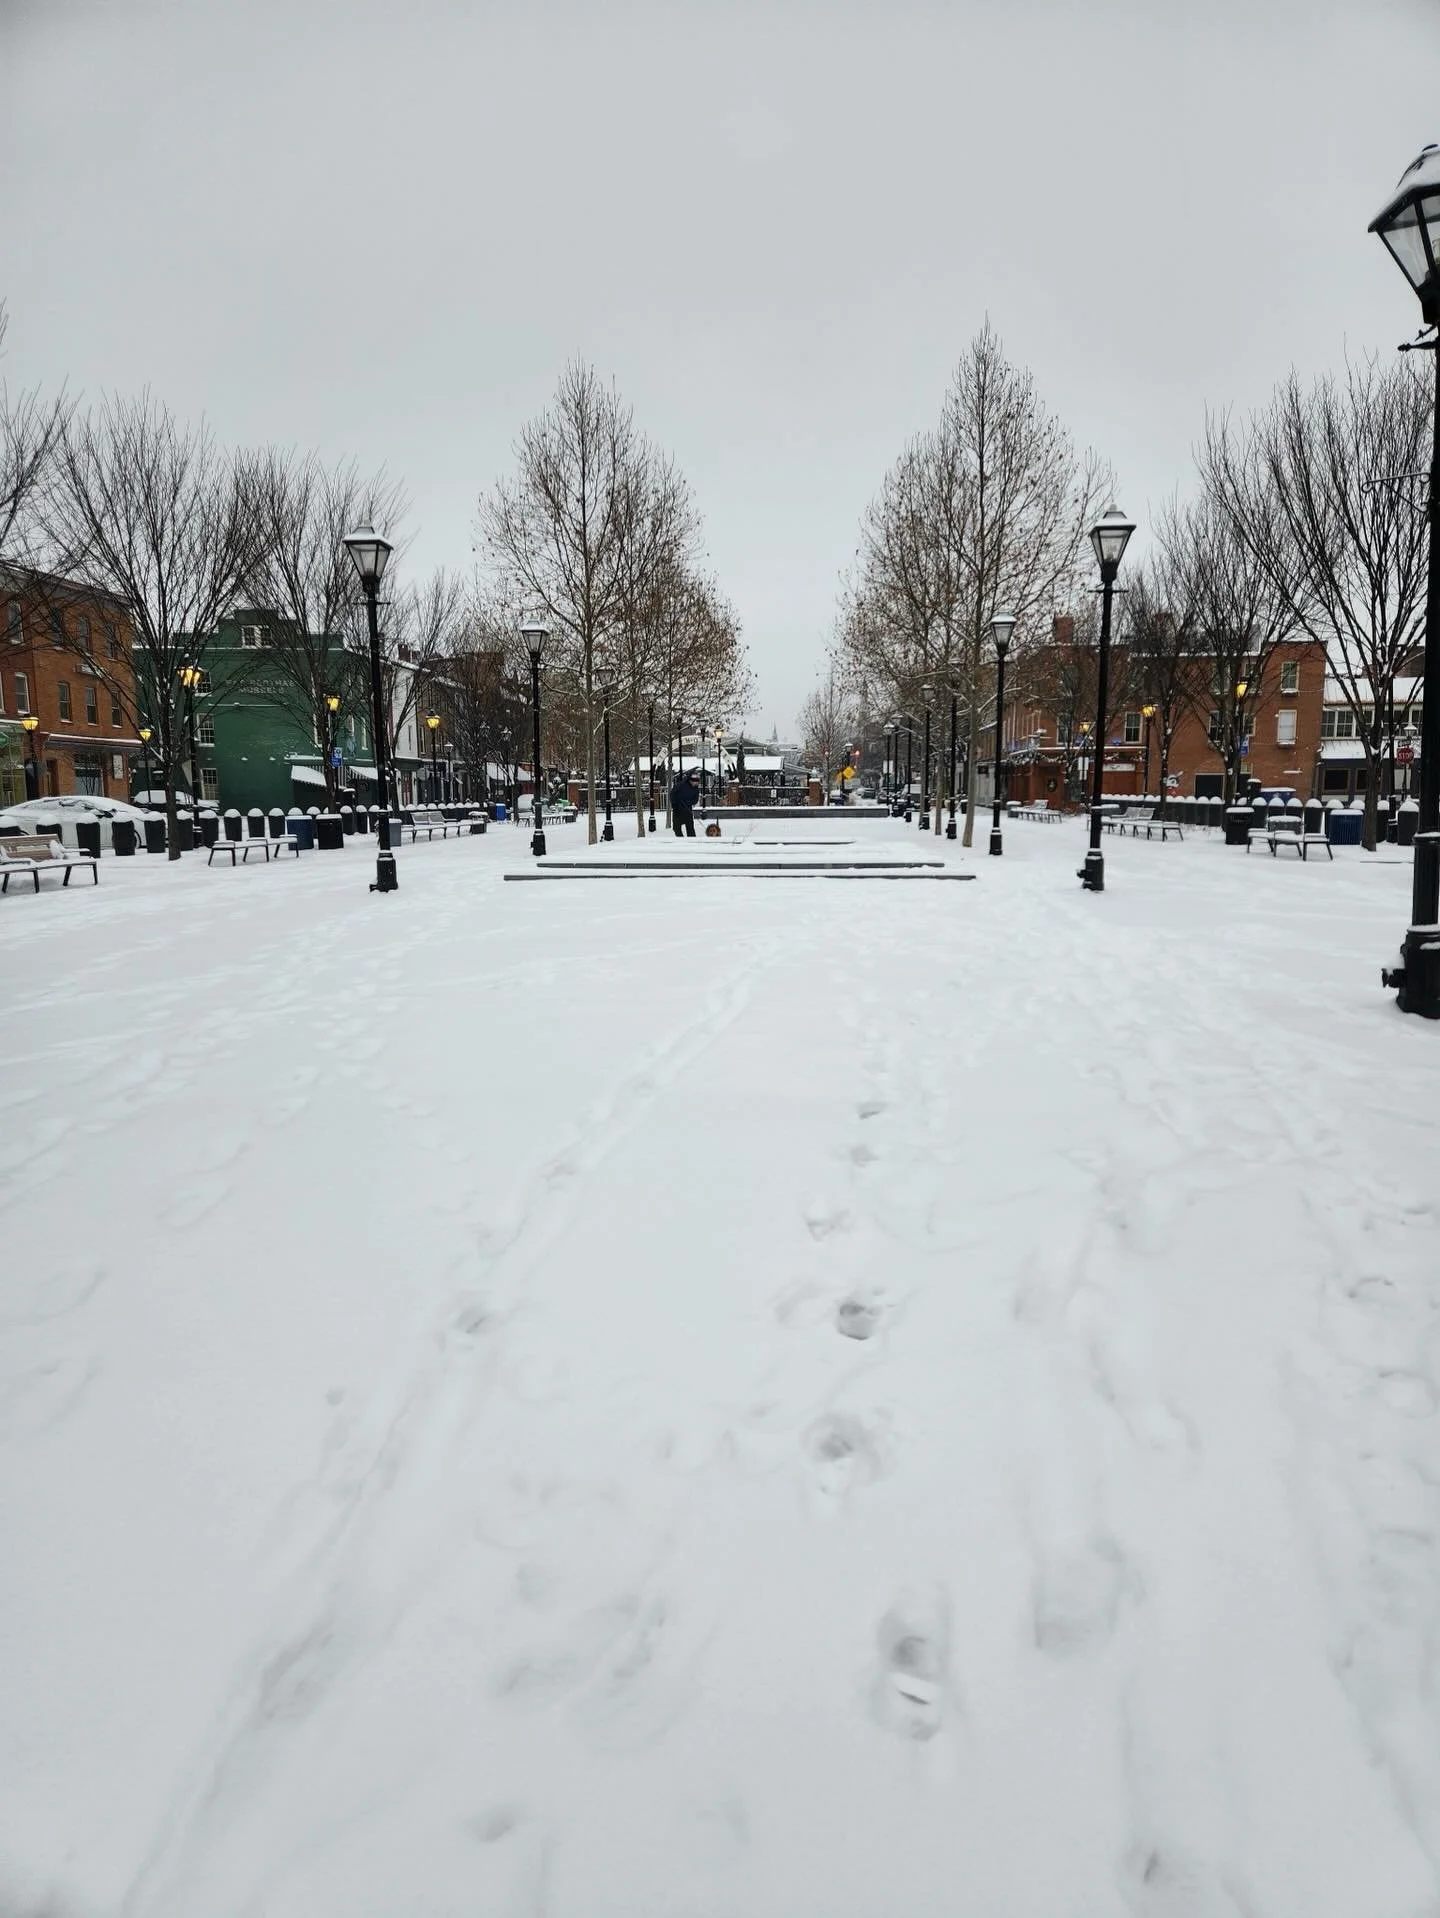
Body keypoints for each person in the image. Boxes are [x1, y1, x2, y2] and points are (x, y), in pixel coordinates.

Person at [671, 767, 700, 837]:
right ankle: (681, 841)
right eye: (694, 781)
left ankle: (692, 843)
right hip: (677, 810)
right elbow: (672, 794)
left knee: (690, 829)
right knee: (676, 828)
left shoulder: (696, 789)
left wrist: (688, 803)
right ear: (690, 780)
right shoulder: (680, 785)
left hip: (688, 810)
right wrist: (675, 804)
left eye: (696, 781)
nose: (695, 783)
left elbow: (695, 800)